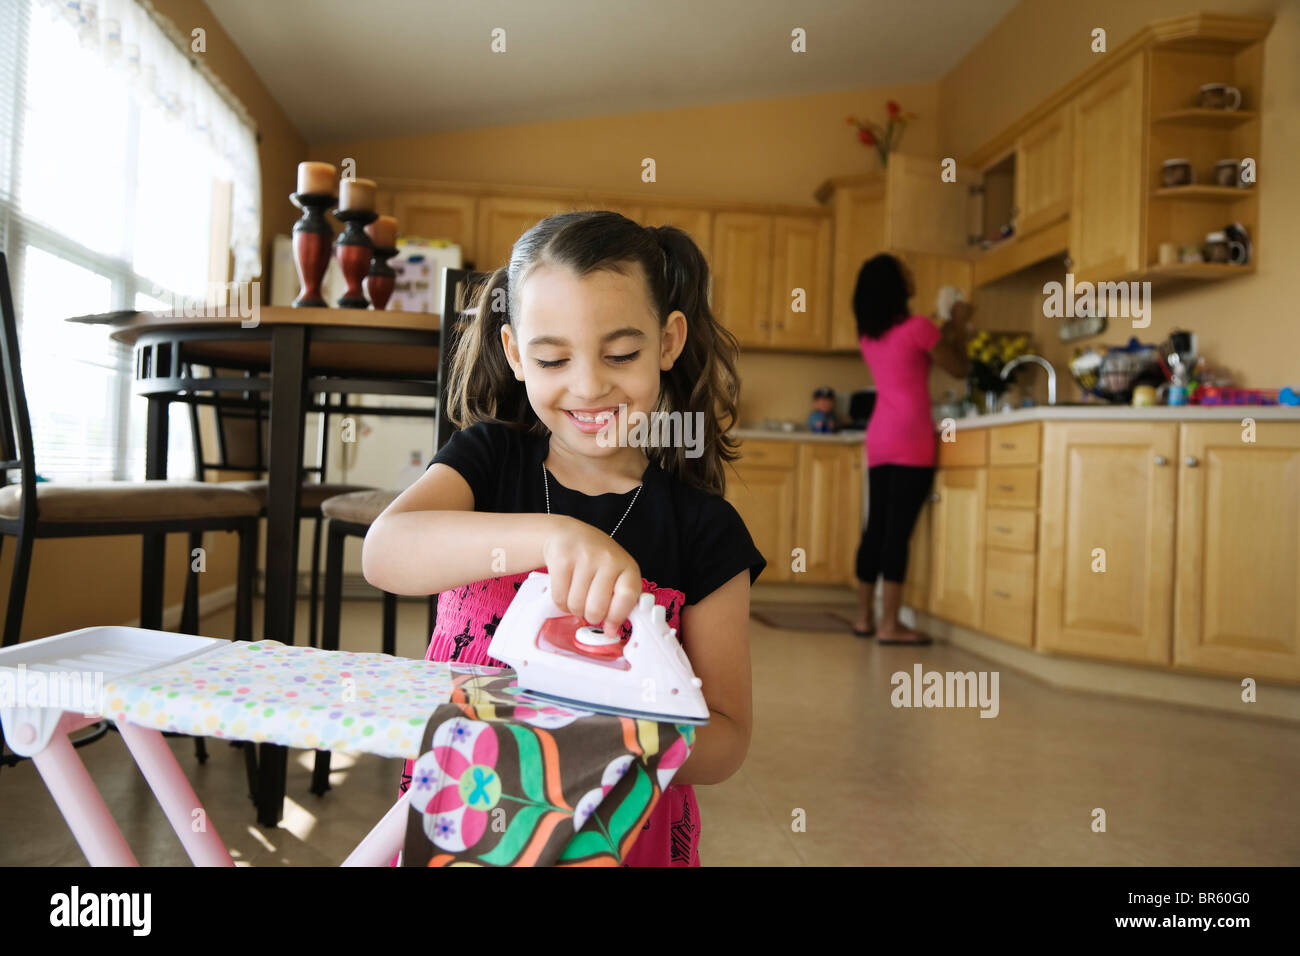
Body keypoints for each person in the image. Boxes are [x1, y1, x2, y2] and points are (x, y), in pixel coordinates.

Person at [362, 211, 766, 866]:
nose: (588, 386)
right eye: (553, 358)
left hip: (626, 836)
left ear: (668, 342)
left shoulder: (706, 531)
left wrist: (605, 740)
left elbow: (728, 739)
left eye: (621, 354)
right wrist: (554, 537)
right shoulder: (486, 462)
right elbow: (385, 552)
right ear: (516, 354)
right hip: (464, 815)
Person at [850, 253, 971, 645]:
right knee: (897, 534)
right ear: (896, 286)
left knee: (875, 530)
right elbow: (960, 367)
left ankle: (864, 618)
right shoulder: (919, 328)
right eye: (905, 272)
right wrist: (958, 323)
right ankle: (890, 625)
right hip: (911, 437)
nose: (911, 275)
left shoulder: (869, 337)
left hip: (880, 436)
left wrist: (946, 325)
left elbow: (932, 348)